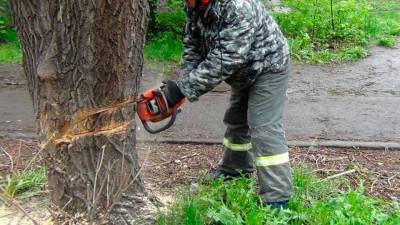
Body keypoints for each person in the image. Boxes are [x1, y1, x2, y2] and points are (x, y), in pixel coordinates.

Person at [160, 0, 293, 208]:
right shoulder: (195, 6)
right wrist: (182, 85)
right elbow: (193, 45)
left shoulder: (238, 6)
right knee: (236, 120)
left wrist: (183, 89)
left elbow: (226, 59)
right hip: (242, 71)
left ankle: (278, 198)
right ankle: (234, 171)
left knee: (263, 126)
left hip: (269, 67)